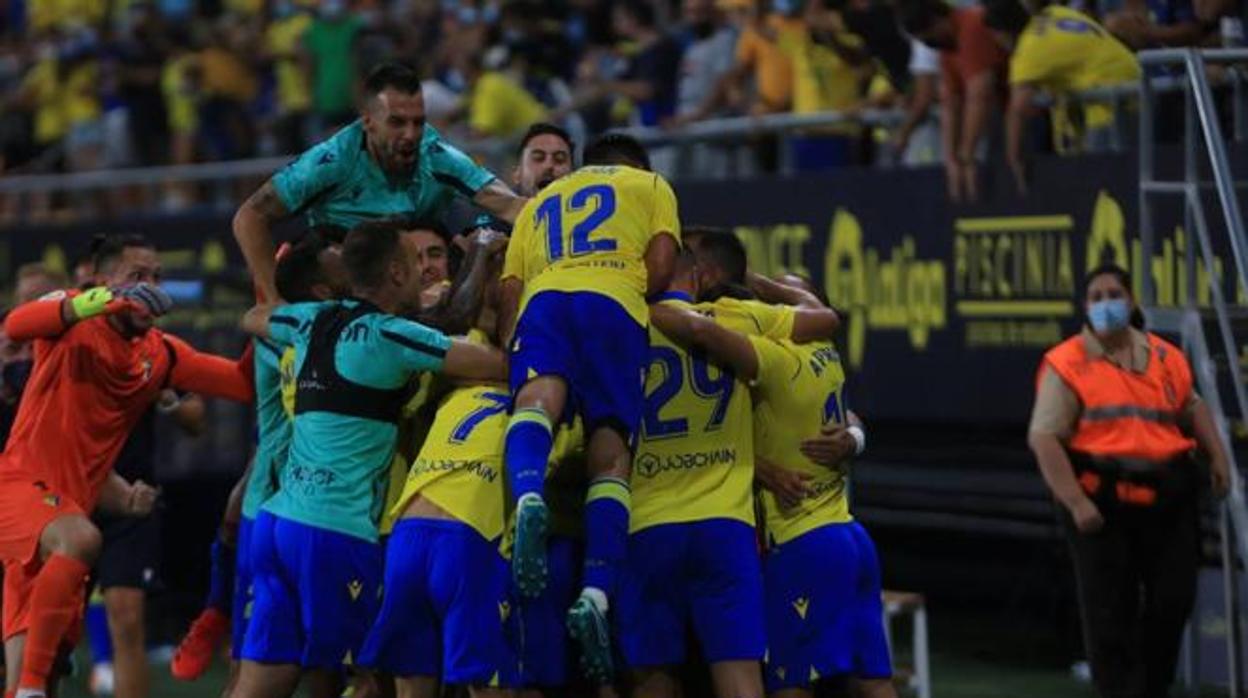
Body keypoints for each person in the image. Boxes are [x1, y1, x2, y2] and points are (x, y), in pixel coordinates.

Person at [233, 221, 506, 698]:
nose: (425, 271)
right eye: (416, 262)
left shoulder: (311, 319)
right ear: (398, 274)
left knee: (262, 683)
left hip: (278, 523)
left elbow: (252, 318)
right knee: (370, 680)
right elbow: (491, 365)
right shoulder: (390, 335)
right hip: (335, 532)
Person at [0, 241, 254, 698]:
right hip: (18, 490)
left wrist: (268, 315)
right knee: (82, 540)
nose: (151, 287)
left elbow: (239, 382)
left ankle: (31, 688)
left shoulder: (161, 354)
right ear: (99, 281)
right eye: (138, 275)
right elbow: (17, 325)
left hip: (71, 508)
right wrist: (108, 300)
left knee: (43, 661)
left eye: (157, 277)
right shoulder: (71, 318)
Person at [498, 133, 681, 683]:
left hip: (547, 298)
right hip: (614, 300)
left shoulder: (541, 204)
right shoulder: (649, 183)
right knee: (611, 449)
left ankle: (528, 492)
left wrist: (515, 351)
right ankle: (597, 594)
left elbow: (511, 288)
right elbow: (663, 265)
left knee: (536, 402)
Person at [1028, 264, 1231, 698]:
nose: (1106, 304)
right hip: (1102, 501)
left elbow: (1191, 407)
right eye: (1096, 297)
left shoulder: (1164, 356)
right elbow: (1044, 438)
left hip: (1167, 498)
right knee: (1109, 615)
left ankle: (1150, 688)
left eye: (1113, 294)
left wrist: (1218, 457)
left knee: (1173, 601)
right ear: (1085, 307)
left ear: (1132, 300)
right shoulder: (1067, 363)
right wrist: (1076, 503)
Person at [171, 231, 350, 686]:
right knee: (258, 662)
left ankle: (217, 609)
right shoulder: (283, 330)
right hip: (284, 496)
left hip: (332, 498)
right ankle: (215, 610)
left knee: (334, 666)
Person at [232, 61, 527, 302]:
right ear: (368, 122)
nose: (411, 135)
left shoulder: (437, 155)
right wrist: (274, 303)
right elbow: (250, 216)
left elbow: (510, 205)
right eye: (397, 122)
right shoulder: (331, 161)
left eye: (418, 122)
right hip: (343, 293)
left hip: (411, 287)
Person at [621, 249, 770, 698]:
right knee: (740, 674)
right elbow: (821, 319)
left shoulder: (626, 326)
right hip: (725, 522)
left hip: (648, 521)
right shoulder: (740, 318)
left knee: (651, 675)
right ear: (702, 274)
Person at [982, 0, 1140, 192]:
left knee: (1106, 183)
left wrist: (1014, 159)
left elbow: (1018, 111)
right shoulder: (1054, 13)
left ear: (1002, 33)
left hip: (1109, 99)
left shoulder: (1028, 52)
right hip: (1135, 79)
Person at [898, 0, 1006, 201]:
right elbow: (950, 102)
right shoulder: (947, 44)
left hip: (1012, 116)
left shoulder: (972, 26)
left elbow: (979, 94)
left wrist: (967, 156)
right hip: (990, 120)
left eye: (929, 38)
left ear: (939, 21)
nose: (928, 45)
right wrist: (951, 160)